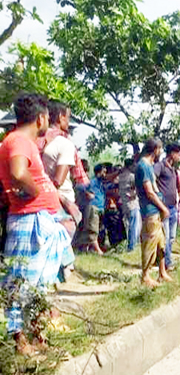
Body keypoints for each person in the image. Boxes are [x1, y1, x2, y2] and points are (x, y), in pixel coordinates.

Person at [0, 93, 75, 354]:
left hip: (38, 220)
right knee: (19, 284)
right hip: (28, 221)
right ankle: (20, 342)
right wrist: (34, 193)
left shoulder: (25, 141)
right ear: (41, 118)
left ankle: (37, 336)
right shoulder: (19, 140)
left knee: (37, 286)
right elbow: (18, 173)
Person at [39, 100, 81, 237]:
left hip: (40, 200)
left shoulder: (38, 141)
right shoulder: (64, 143)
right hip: (61, 204)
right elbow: (58, 181)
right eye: (67, 117)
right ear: (60, 117)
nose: (68, 122)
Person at [135, 139, 172, 288]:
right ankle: (145, 275)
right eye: (160, 148)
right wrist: (163, 207)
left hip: (156, 211)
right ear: (155, 149)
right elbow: (149, 192)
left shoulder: (149, 166)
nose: (161, 152)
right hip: (150, 210)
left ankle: (162, 272)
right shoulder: (143, 166)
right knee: (150, 242)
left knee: (161, 243)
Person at [154, 143, 180, 270]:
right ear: (172, 153)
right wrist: (157, 195)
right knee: (165, 236)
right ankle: (168, 263)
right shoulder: (160, 166)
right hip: (164, 208)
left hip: (173, 207)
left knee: (171, 237)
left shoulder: (173, 169)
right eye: (179, 153)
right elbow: (152, 178)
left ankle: (161, 259)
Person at [76, 164, 106, 254]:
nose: (105, 174)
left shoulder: (100, 183)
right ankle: (98, 250)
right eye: (103, 172)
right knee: (93, 229)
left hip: (99, 208)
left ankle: (85, 249)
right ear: (98, 172)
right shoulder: (93, 181)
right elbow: (79, 186)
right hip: (93, 207)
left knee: (95, 228)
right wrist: (87, 193)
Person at [119, 158, 140, 253]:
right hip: (132, 204)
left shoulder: (121, 176)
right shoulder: (132, 176)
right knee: (133, 226)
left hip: (124, 204)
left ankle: (130, 245)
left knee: (129, 225)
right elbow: (138, 188)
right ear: (130, 166)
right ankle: (132, 246)